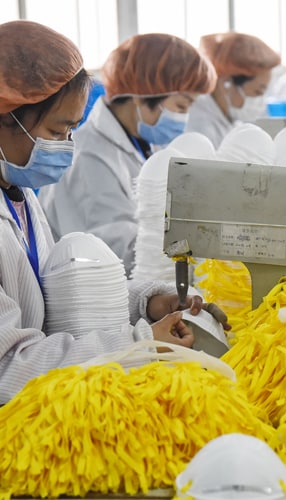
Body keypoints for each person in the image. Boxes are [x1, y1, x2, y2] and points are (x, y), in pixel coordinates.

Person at [0, 20, 229, 405]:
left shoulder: (17, 192)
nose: (67, 147)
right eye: (57, 133)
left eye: (72, 131)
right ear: (7, 117)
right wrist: (139, 343)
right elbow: (9, 366)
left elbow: (63, 287)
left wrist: (148, 301)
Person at [38, 33, 216, 276]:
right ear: (143, 96)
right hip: (98, 293)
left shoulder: (144, 143)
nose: (183, 119)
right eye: (181, 106)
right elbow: (115, 250)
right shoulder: (88, 158)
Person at [185, 32, 281, 148]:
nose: (260, 102)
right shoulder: (199, 125)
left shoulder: (229, 119)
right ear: (227, 83)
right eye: (257, 92)